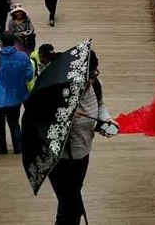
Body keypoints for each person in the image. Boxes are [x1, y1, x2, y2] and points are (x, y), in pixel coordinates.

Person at [49, 50, 115, 225]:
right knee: (69, 206)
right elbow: (41, 119)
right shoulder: (59, 90)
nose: (90, 81)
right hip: (60, 159)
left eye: (93, 75)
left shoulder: (96, 85)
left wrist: (106, 121)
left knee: (70, 206)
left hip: (83, 154)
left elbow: (100, 106)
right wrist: (65, 114)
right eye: (87, 77)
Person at [0, 32, 33, 156]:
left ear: (1, 41)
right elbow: (29, 76)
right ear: (14, 41)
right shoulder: (23, 56)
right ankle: (18, 147)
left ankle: (2, 149)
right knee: (14, 122)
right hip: (16, 95)